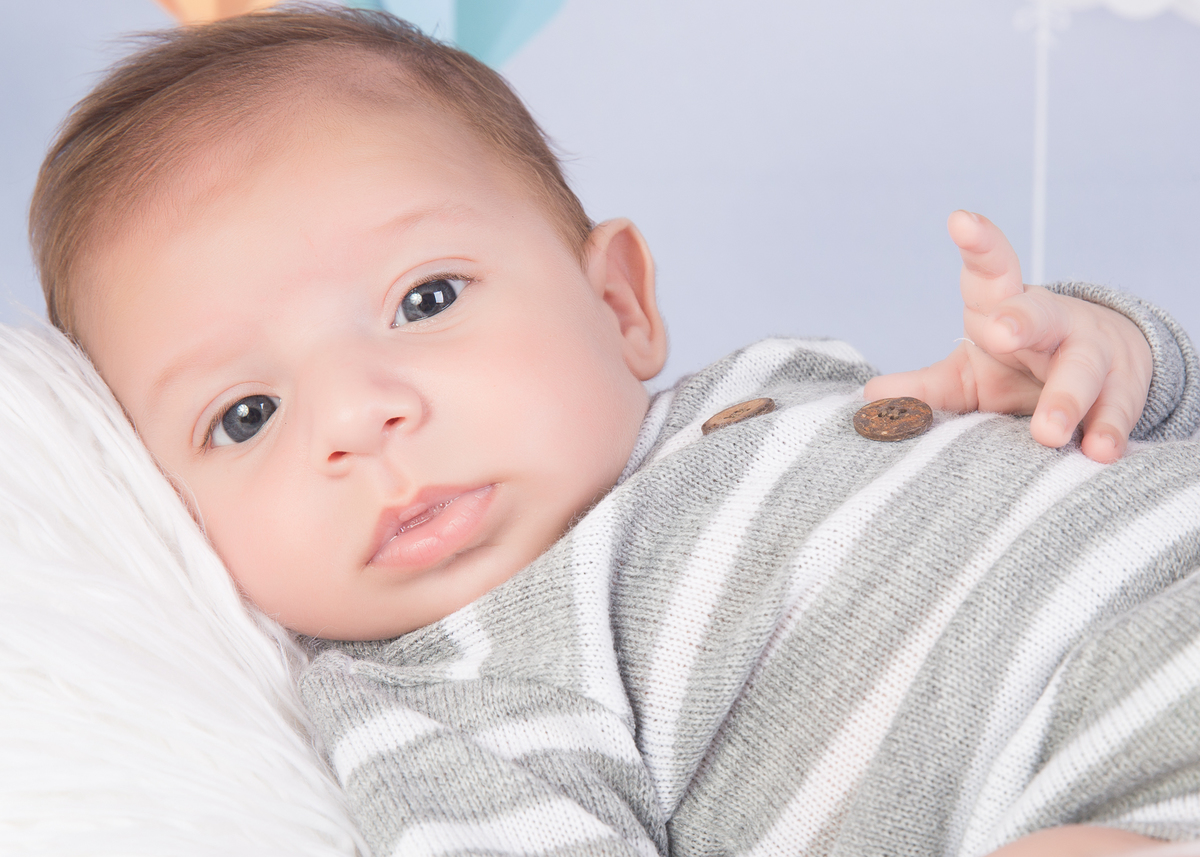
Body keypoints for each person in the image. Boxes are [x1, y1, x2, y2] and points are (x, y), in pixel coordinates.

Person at [28, 7, 1200, 857]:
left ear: (619, 302)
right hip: (1122, 775)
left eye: (425, 300)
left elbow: (1145, 428)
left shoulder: (770, 381)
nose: (356, 415)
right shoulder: (448, 703)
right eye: (246, 414)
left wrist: (1106, 359)